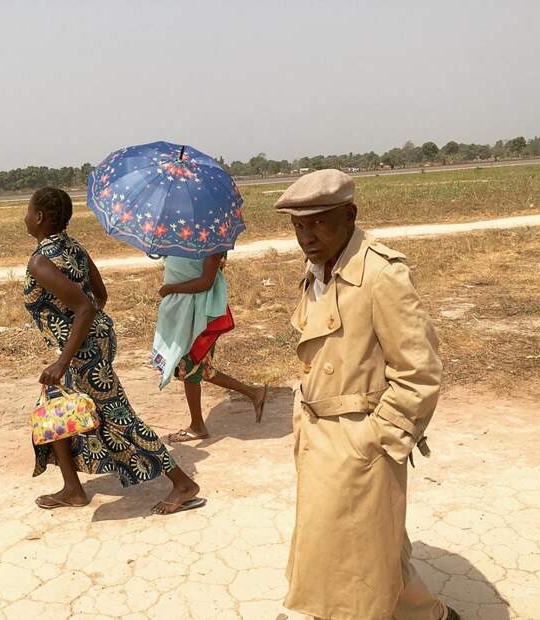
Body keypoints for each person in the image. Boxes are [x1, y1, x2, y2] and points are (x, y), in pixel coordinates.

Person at [275, 170, 460, 620]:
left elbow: (419, 369)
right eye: (299, 226)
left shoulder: (381, 274)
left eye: (318, 222)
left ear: (350, 214)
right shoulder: (321, 267)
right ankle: (429, 615)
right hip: (320, 433)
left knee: (351, 554)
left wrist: (380, 436)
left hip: (358, 439)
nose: (307, 236)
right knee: (365, 544)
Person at [23, 187, 202, 515]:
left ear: (38, 217)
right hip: (89, 343)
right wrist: (86, 336)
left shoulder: (41, 261)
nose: (25, 216)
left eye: (28, 210)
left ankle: (183, 483)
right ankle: (73, 489)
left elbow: (84, 307)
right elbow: (99, 295)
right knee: (54, 407)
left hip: (81, 352)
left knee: (119, 417)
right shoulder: (74, 247)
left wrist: (66, 358)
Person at [152, 252, 267, 442]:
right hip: (187, 313)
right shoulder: (186, 237)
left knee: (189, 367)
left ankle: (198, 426)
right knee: (201, 369)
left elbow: (205, 282)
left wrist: (170, 288)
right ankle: (254, 393)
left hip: (201, 316)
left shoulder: (213, 242)